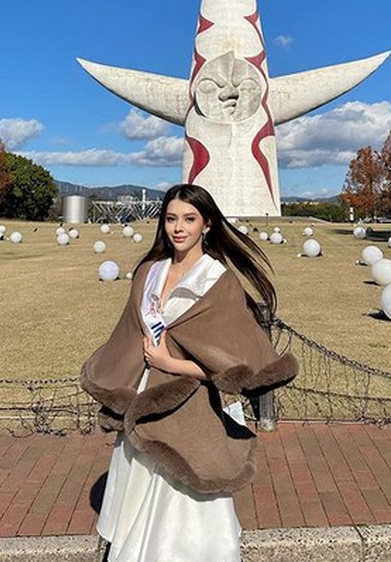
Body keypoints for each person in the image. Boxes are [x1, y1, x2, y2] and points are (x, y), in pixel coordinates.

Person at [80, 183, 298, 562]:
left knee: (181, 501)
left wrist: (170, 364)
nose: (179, 228)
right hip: (143, 400)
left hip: (189, 408)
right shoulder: (149, 272)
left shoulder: (218, 281)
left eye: (189, 219)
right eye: (171, 219)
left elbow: (229, 365)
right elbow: (127, 336)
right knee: (139, 487)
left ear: (207, 224)